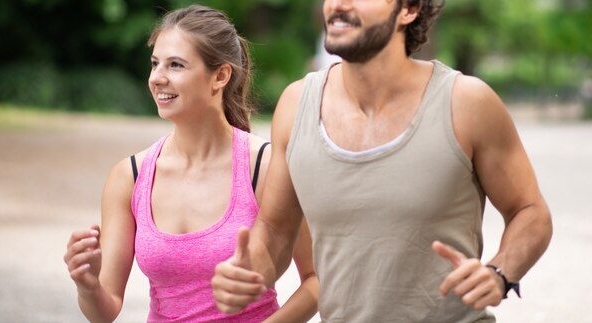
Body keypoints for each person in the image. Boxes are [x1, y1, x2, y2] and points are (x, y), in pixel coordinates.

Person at [212, 0, 553, 322]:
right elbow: (275, 229)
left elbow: (530, 211)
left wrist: (499, 273)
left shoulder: (466, 102)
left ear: (409, 9)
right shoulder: (295, 104)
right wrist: (249, 272)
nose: (338, 5)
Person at [63, 5, 318, 323]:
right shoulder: (129, 176)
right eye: (155, 64)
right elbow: (106, 309)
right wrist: (87, 287)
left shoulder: (266, 168)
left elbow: (316, 279)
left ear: (221, 76)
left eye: (176, 65)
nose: (157, 78)